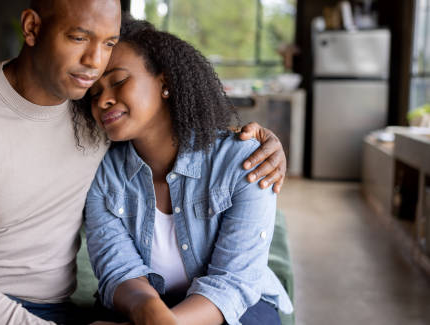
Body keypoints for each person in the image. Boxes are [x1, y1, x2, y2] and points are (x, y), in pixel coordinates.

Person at [0, 0, 287, 325]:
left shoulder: (96, 118)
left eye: (109, 44)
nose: (96, 64)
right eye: (79, 37)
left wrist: (267, 146)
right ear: (32, 28)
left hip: (49, 307)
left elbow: (180, 141)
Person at [78, 17, 294, 325]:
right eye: (94, 92)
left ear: (165, 82)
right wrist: (148, 314)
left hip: (234, 310)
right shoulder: (103, 174)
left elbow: (233, 284)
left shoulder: (243, 160)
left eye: (118, 80)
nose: (103, 100)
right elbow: (118, 271)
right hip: (140, 306)